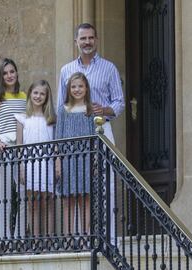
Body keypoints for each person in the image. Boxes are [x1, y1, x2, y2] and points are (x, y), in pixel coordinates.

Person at [57, 23, 125, 241]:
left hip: (101, 127)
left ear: (96, 40)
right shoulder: (66, 70)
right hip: (72, 132)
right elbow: (61, 104)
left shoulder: (109, 68)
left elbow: (120, 102)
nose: (87, 42)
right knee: (74, 185)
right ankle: (76, 238)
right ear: (76, 41)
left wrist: (104, 110)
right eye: (83, 38)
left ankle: (108, 238)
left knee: (105, 183)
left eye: (91, 38)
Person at [0, 57, 26, 239]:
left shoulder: (24, 97)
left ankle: (20, 237)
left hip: (24, 151)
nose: (9, 76)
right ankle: (5, 239)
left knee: (24, 196)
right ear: (0, 77)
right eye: (5, 73)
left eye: (12, 71)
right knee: (5, 197)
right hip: (4, 151)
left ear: (16, 73)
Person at [15, 80, 56, 236]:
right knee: (33, 204)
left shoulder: (51, 120)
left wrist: (57, 165)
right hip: (30, 165)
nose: (38, 96)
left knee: (48, 203)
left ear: (47, 97)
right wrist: (20, 167)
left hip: (47, 164)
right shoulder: (22, 118)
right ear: (30, 94)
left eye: (42, 94)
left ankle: (49, 240)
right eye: (36, 93)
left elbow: (56, 145)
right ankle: (36, 239)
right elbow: (19, 145)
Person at [55, 72, 95, 235]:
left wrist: (94, 162)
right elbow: (58, 137)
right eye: (73, 86)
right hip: (67, 161)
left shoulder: (90, 110)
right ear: (68, 89)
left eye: (80, 86)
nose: (77, 89)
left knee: (85, 198)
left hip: (85, 160)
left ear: (86, 88)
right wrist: (58, 160)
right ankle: (69, 237)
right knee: (68, 199)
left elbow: (94, 137)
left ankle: (86, 236)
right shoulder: (63, 110)